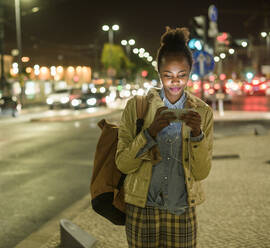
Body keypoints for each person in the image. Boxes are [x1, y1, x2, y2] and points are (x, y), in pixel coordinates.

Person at [116, 27, 213, 248]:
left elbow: (202, 172)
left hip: (182, 210)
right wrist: (149, 133)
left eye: (182, 75)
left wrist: (197, 134)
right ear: (159, 73)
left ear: (189, 73)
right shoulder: (137, 107)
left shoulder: (203, 112)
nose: (175, 82)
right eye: (168, 75)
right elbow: (122, 163)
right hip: (143, 209)